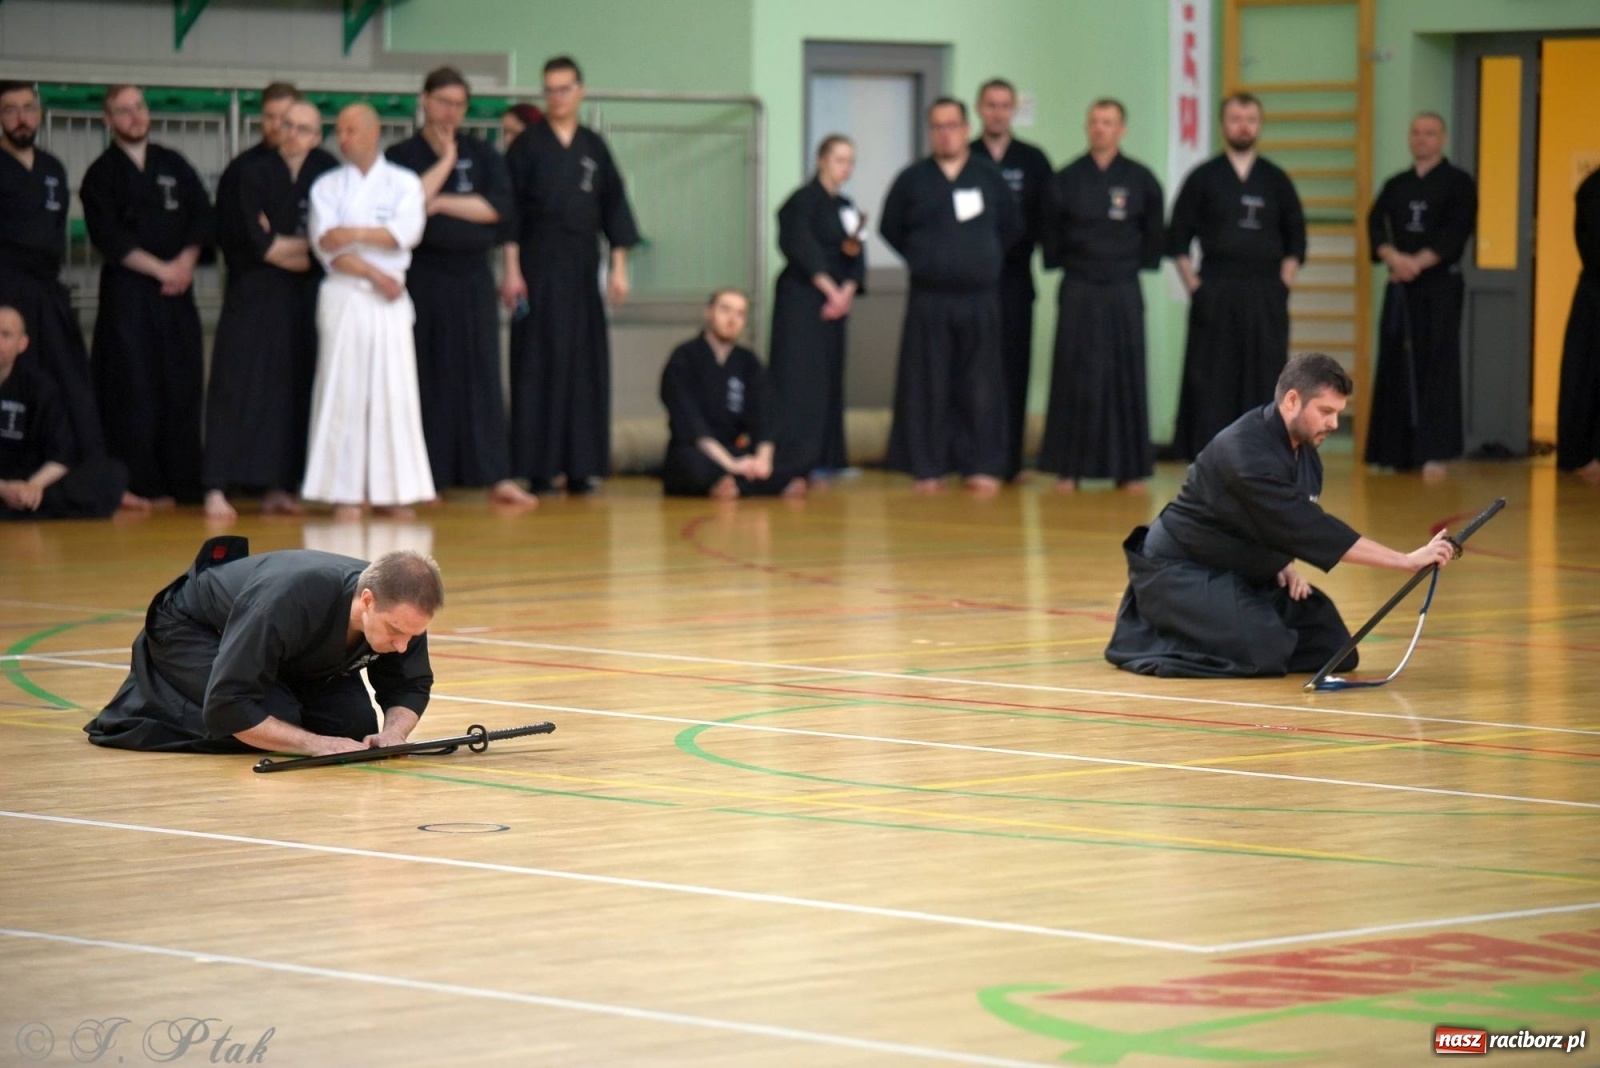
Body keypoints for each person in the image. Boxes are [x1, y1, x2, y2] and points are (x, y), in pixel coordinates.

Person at [1104, 353, 1458, 678]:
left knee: (1333, 648)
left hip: (1242, 573)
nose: (1335, 423)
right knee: (1265, 648)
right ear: (1292, 400)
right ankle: (1151, 631)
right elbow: (1308, 527)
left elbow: (1274, 523)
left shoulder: (1305, 453)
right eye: (1325, 411)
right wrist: (1405, 561)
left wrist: (1281, 564)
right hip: (1178, 572)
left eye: (1338, 412)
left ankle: (1235, 623)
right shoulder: (1243, 453)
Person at [85, 538, 440, 755]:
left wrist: (393, 734)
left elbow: (409, 684)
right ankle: (147, 709)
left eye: (412, 634)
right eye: (395, 631)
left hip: (288, 649)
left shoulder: (404, 612)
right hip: (192, 627)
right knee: (275, 722)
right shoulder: (286, 599)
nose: (402, 644)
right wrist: (315, 745)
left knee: (351, 726)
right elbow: (231, 703)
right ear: (367, 601)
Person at [387, 68, 537, 508]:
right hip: (422, 276)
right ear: (424, 100)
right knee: (427, 374)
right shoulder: (401, 154)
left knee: (483, 374)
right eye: (442, 102)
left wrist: (441, 201)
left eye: (458, 104)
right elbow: (405, 207)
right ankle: (426, 479)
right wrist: (445, 166)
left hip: (473, 275)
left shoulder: (485, 154)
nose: (449, 112)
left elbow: (497, 209)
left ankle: (496, 476)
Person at [501, 55, 641, 496]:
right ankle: (538, 467)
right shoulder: (526, 147)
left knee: (584, 365)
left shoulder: (594, 147)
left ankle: (582, 466)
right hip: (537, 267)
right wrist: (512, 270)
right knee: (536, 363)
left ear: (580, 91)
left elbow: (615, 209)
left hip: (582, 267)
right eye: (549, 90)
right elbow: (510, 217)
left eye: (564, 89)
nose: (556, 98)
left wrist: (618, 269)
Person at [202, 100, 339, 521]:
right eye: (286, 125)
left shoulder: (326, 174)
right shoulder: (250, 171)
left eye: (302, 128)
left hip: (302, 297)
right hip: (253, 292)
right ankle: (215, 487)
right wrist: (295, 248)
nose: (291, 132)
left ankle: (279, 486)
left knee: (291, 388)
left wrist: (294, 247)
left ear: (317, 136)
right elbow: (259, 244)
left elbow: (326, 245)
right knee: (236, 385)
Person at [80, 84, 213, 506]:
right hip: (129, 296)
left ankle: (183, 482)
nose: (135, 117)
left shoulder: (173, 163)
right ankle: (142, 485)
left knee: (182, 384)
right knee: (132, 388)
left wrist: (185, 264)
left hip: (177, 295)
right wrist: (161, 269)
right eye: (123, 110)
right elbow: (109, 237)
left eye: (139, 107)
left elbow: (202, 217)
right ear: (108, 120)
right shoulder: (100, 174)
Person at [879, 97, 1020, 495]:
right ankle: (928, 465)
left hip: (980, 297)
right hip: (930, 299)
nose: (945, 133)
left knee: (981, 384)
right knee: (928, 382)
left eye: (952, 125)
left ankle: (981, 464)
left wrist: (978, 258)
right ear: (931, 132)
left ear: (965, 128)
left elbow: (1011, 228)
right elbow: (890, 228)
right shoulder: (913, 180)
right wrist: (927, 258)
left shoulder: (988, 177)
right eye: (937, 126)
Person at [302, 102, 434, 521]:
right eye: (338, 131)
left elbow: (404, 234)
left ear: (375, 133)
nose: (343, 138)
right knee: (343, 390)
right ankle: (342, 492)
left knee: (394, 393)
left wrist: (354, 233)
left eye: (352, 130)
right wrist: (374, 271)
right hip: (346, 295)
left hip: (391, 302)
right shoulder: (326, 186)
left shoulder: (404, 182)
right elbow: (328, 247)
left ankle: (394, 492)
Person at [1168, 93, 1307, 459]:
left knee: (1266, 371)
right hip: (1215, 286)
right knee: (1210, 371)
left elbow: (1296, 239)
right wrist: (1195, 286)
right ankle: (1208, 452)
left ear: (1259, 125)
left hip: (1265, 291)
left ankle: (1264, 451)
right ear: (1222, 125)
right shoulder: (1203, 177)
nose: (1243, 125)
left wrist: (1282, 284)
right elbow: (1177, 238)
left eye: (1250, 119)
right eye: (1235, 118)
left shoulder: (1276, 180)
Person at [1038, 98, 1164, 493]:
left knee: (1126, 374)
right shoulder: (1066, 178)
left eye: (1108, 122)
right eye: (1094, 121)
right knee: (1074, 375)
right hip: (1079, 287)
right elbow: (1051, 239)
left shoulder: (1141, 179)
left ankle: (1129, 469)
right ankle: (1068, 469)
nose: (1100, 129)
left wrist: (1122, 264)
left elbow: (1154, 238)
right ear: (1086, 127)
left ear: (1122, 129)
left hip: (1123, 287)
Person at [1364, 113, 1478, 480]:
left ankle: (1435, 451)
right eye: (1416, 133)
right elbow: (1375, 224)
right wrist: (1393, 258)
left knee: (1437, 363)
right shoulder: (1395, 184)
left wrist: (1418, 262)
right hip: (1400, 284)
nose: (1422, 139)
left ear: (1442, 139)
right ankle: (1394, 450)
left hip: (1439, 284)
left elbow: (1455, 234)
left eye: (1429, 133)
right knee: (1396, 361)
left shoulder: (1459, 183)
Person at [0, 80, 103, 461]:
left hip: (48, 291)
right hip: (6, 291)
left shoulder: (52, 168)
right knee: (13, 382)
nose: (21, 118)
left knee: (67, 381)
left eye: (28, 108)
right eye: (10, 110)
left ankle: (75, 466)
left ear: (39, 113)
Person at [768, 134, 865, 481]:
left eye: (851, 161)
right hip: (803, 299)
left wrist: (846, 293)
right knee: (800, 378)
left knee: (829, 377)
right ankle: (797, 458)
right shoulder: (800, 202)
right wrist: (828, 289)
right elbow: (800, 247)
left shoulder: (848, 208)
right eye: (839, 159)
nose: (846, 167)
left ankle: (830, 457)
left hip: (835, 304)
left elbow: (856, 254)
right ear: (821, 160)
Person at [973, 78, 1053, 481]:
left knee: (1013, 368)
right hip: (972, 283)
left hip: (1016, 279)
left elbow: (1047, 219)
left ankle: (1010, 461)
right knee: (972, 370)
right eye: (991, 105)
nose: (998, 112)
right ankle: (971, 457)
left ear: (1013, 111)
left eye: (1005, 105)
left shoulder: (1033, 160)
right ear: (979, 108)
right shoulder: (965, 156)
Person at [1, 305, 146, 519]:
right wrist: (4, 489)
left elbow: (61, 451)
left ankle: (22, 503)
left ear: (22, 344)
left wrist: (33, 486)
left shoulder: (39, 387)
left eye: (6, 335)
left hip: (28, 477)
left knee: (109, 473)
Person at [660, 289, 806, 500]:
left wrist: (762, 461)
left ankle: (734, 485)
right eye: (725, 310)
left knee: (800, 450)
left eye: (740, 314)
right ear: (709, 313)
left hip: (737, 449)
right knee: (689, 465)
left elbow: (766, 414)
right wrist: (731, 464)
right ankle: (760, 485)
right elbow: (689, 421)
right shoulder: (684, 358)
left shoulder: (749, 362)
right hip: (701, 450)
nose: (732, 319)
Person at [214, 82, 300, 283]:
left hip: (304, 293)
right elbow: (235, 239)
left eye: (285, 118)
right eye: (270, 117)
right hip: (253, 288)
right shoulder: (241, 169)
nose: (276, 125)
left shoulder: (317, 167)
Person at [1555, 166, 1600, 484]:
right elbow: (1589, 240)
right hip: (1595, 288)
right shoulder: (1593, 187)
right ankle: (1584, 455)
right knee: (1586, 371)